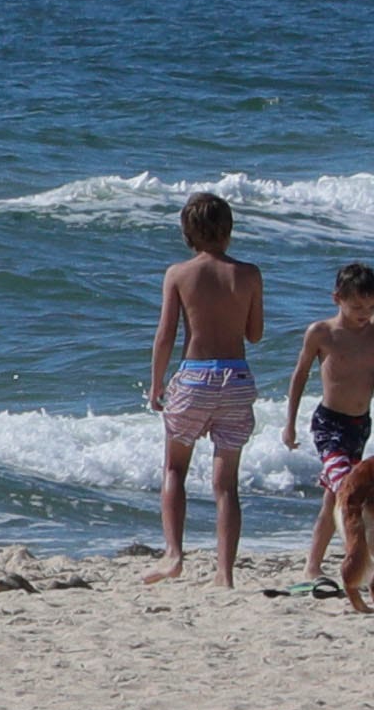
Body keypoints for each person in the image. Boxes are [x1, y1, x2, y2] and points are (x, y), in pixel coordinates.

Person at [151, 192, 266, 584]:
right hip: (236, 379)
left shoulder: (178, 274)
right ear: (229, 231)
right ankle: (224, 573)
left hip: (195, 376)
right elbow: (255, 334)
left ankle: (173, 554)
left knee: (174, 469)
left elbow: (166, 335)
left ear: (187, 233)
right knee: (226, 485)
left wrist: (156, 384)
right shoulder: (249, 274)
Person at [291, 262, 374, 611]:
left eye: (371, 308)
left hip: (360, 424)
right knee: (344, 489)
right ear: (337, 299)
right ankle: (353, 562)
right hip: (329, 425)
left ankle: (313, 564)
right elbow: (299, 376)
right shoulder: (321, 332)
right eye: (357, 308)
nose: (363, 315)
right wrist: (289, 423)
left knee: (333, 500)